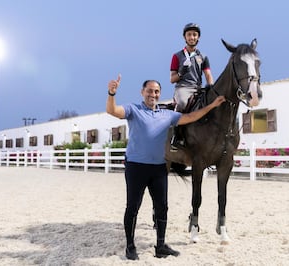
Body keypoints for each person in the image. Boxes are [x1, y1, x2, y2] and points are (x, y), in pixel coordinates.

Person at [106, 75, 225, 260]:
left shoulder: (167, 114)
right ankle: (130, 246)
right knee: (133, 207)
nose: (153, 94)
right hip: (136, 167)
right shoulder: (133, 110)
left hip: (159, 168)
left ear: (160, 94)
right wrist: (111, 93)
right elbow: (112, 110)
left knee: (162, 207)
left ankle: (160, 245)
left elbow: (191, 116)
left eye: (156, 91)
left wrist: (212, 106)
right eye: (149, 91)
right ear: (142, 92)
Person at [169, 22, 215, 150]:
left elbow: (208, 75)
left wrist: (211, 87)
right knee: (182, 103)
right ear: (185, 37)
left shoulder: (203, 56)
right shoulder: (177, 56)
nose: (192, 37)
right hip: (182, 88)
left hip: (198, 87)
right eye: (189, 34)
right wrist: (180, 73)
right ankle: (176, 137)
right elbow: (172, 79)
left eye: (194, 35)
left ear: (198, 37)